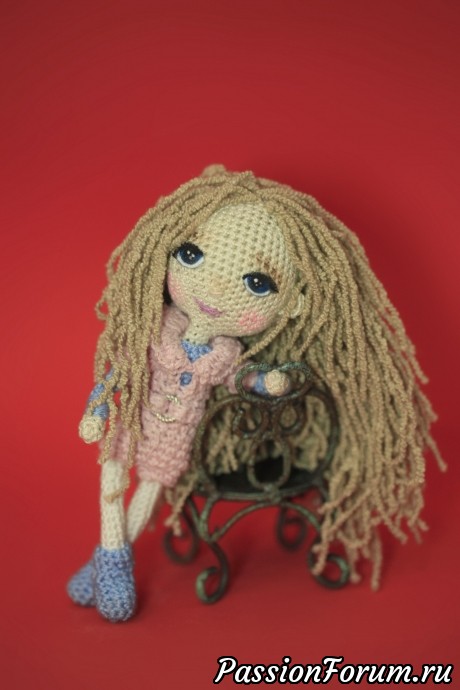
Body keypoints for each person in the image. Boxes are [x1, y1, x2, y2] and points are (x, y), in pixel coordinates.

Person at [67, 165, 443, 622]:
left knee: (148, 492)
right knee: (111, 481)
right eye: (192, 254)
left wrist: (267, 382)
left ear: (292, 304)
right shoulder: (153, 328)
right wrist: (97, 409)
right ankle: (111, 563)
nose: (215, 288)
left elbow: (240, 379)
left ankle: (106, 564)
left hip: (172, 436)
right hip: (131, 417)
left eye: (256, 283)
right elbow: (119, 370)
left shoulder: (226, 352)